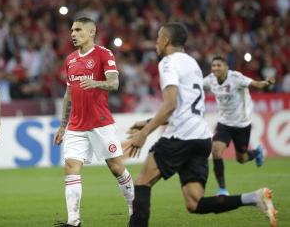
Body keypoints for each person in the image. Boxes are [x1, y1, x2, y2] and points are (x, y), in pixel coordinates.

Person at [123, 23, 277, 227]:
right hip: (201, 139)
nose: (156, 41)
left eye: (159, 36)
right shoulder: (192, 64)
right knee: (194, 203)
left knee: (142, 182)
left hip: (180, 137)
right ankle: (255, 198)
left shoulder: (168, 63)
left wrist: (143, 134)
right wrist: (146, 122)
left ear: (167, 40)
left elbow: (170, 105)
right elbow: (184, 107)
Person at [53, 17, 135, 227]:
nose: (73, 34)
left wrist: (96, 82)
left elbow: (115, 83)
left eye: (78, 30)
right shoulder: (70, 59)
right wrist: (63, 125)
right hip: (76, 125)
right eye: (72, 30)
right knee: (71, 166)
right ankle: (73, 220)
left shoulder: (103, 54)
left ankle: (135, 209)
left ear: (91, 32)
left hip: (100, 123)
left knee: (116, 167)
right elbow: (68, 94)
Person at [203, 56, 275, 196]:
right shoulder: (210, 79)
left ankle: (257, 152)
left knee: (241, 159)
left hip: (242, 124)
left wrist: (267, 82)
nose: (215, 68)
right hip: (224, 123)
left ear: (226, 67)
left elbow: (258, 85)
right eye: (213, 66)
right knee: (216, 151)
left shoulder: (236, 78)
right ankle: (223, 189)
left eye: (219, 65)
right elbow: (195, 85)